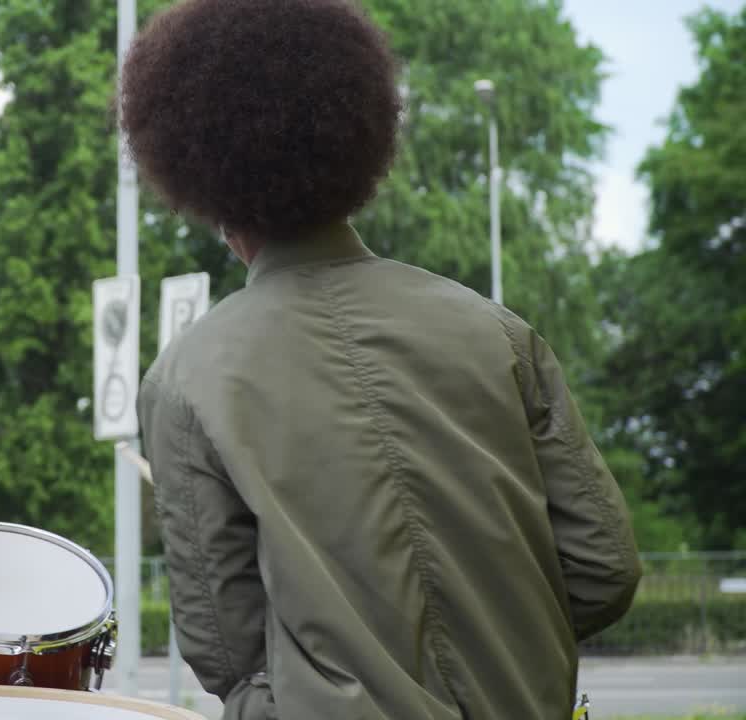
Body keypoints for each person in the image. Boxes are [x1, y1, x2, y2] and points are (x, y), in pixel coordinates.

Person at [119, 1, 642, 717]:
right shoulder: (497, 333)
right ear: (357, 137)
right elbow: (604, 569)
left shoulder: (186, 380)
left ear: (196, 177)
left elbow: (225, 652)